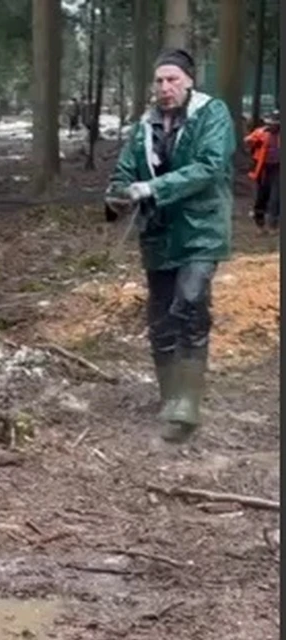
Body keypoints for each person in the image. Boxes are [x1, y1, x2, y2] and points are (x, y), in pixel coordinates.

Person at [104, 48, 236, 443]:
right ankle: (170, 397)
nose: (164, 87)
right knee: (160, 317)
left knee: (190, 302)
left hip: (201, 229)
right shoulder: (144, 125)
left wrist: (154, 187)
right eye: (159, 80)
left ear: (189, 81)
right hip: (158, 233)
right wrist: (116, 194)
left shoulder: (212, 114)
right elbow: (126, 168)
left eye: (172, 79)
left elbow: (210, 166)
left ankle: (188, 402)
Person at [244, 110, 280, 230]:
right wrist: (253, 142)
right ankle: (259, 218)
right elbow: (248, 140)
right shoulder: (261, 133)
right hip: (263, 168)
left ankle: (273, 223)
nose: (272, 126)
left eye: (275, 123)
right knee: (262, 194)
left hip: (277, 168)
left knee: (276, 195)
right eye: (270, 123)